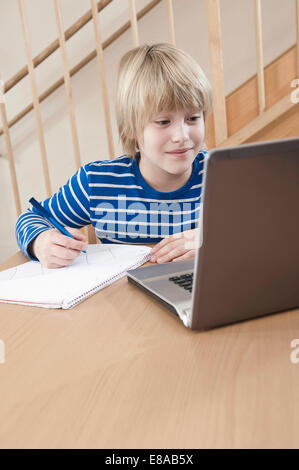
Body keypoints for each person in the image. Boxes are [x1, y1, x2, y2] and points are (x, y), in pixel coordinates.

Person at [15, 43, 213, 268]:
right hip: (122, 299)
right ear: (130, 128)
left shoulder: (225, 174)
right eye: (163, 122)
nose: (182, 135)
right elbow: (30, 219)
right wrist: (40, 242)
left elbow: (260, 226)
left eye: (193, 118)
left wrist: (217, 240)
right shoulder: (96, 182)